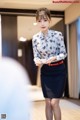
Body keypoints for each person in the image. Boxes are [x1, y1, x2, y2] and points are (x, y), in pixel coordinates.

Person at [32, 8, 67, 120]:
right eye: (39, 21)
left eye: (45, 20)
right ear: (37, 22)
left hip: (59, 71)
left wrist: (54, 58)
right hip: (46, 72)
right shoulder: (35, 38)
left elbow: (64, 53)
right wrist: (36, 61)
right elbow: (36, 56)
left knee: (54, 103)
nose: (42, 23)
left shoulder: (58, 35)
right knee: (47, 102)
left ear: (50, 21)